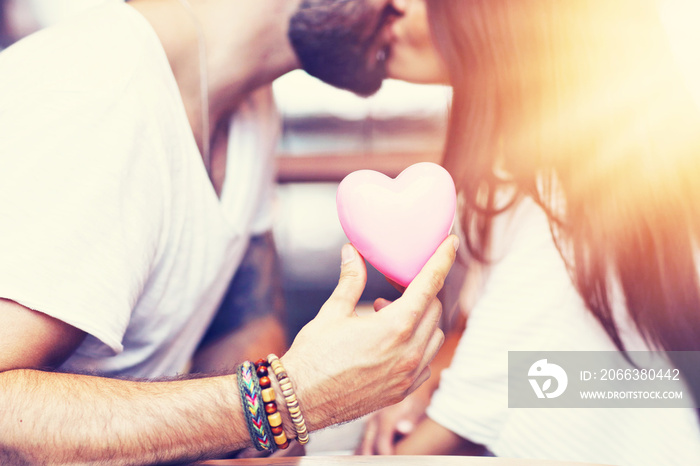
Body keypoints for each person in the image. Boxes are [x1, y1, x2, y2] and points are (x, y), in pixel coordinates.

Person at [0, 0, 459, 463]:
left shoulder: (247, 104)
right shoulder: (90, 94)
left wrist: (261, 435)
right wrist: (284, 400)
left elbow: (244, 319)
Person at [358, 0, 700, 464]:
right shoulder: (559, 162)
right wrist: (435, 375)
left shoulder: (553, 190)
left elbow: (471, 414)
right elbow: (510, 338)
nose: (396, 4)